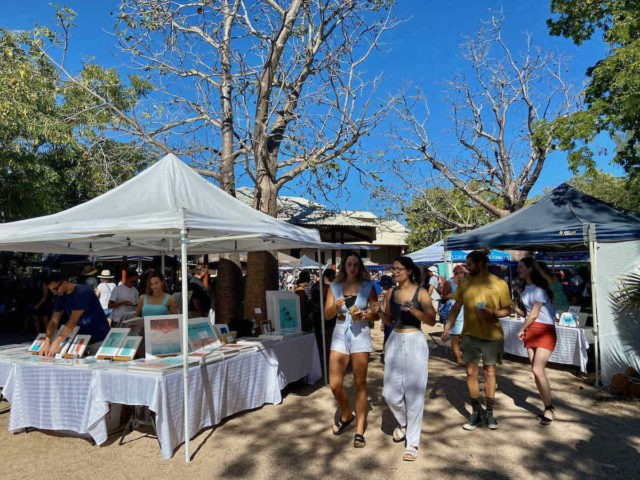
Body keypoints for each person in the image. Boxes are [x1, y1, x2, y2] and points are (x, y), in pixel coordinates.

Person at [441, 251, 512, 431]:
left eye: (470, 264)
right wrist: (448, 326)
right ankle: (475, 412)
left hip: (492, 336)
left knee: (489, 373)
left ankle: (489, 411)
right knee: (471, 374)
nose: (466, 267)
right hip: (470, 335)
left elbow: (507, 310)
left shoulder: (499, 284)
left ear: (480, 264)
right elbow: (456, 307)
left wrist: (493, 314)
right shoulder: (465, 283)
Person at [378, 256, 436, 461]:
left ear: (409, 271)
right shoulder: (390, 293)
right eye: (393, 269)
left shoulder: (421, 292)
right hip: (395, 339)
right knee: (390, 393)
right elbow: (388, 319)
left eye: (398, 269)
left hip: (415, 341)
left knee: (414, 393)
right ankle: (404, 423)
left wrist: (414, 310)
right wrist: (378, 312)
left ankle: (412, 443)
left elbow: (431, 320)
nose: (394, 272)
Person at [324, 251, 379, 448]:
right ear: (344, 266)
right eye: (350, 264)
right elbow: (328, 315)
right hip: (340, 332)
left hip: (360, 333)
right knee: (335, 384)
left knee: (359, 384)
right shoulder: (334, 287)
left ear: (360, 267)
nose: (353, 268)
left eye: (356, 264)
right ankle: (347, 413)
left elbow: (377, 313)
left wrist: (367, 315)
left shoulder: (368, 286)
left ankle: (359, 429)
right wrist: (335, 306)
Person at [513, 257, 557, 425]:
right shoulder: (525, 290)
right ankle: (547, 406)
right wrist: (515, 309)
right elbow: (528, 314)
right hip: (532, 330)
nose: (518, 270)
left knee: (538, 370)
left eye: (520, 267)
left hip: (545, 330)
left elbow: (535, 314)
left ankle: (549, 408)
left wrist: (522, 329)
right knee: (535, 372)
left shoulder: (539, 289)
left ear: (530, 268)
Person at [40, 272, 110, 356]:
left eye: (55, 289)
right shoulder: (60, 296)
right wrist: (47, 341)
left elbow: (73, 320)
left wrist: (57, 342)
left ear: (65, 283)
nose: (55, 292)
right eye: (52, 291)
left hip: (99, 338)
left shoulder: (83, 292)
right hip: (81, 339)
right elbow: (54, 320)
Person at [440, 264, 469, 365]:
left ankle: (460, 353)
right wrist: (456, 294)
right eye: (464, 273)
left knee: (463, 335)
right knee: (455, 336)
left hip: (465, 311)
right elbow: (444, 296)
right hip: (454, 311)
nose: (465, 275)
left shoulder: (465, 282)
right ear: (458, 273)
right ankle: (458, 358)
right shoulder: (449, 282)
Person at [378, 274, 395, 363]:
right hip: (395, 320)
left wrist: (382, 323)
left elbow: (384, 308)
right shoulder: (395, 292)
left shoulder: (386, 294)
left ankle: (388, 358)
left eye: (382, 285)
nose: (381, 287)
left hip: (389, 320)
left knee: (388, 338)